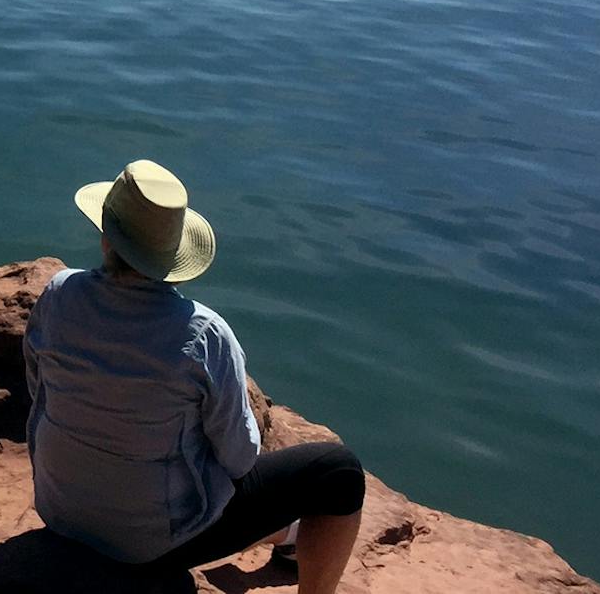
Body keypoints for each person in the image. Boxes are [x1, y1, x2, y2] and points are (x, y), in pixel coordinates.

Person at [23, 160, 365, 594]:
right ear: (173, 255)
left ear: (106, 237)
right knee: (337, 471)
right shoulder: (203, 334)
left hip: (61, 512)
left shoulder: (57, 294)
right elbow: (240, 459)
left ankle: (289, 536)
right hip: (145, 547)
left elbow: (38, 390)